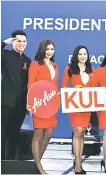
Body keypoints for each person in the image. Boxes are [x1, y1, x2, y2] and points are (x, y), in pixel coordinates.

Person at [61, 45, 95, 174]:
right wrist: (75, 89)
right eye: (80, 54)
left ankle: (78, 161)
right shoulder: (69, 69)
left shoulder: (91, 69)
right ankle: (77, 163)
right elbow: (63, 87)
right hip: (74, 104)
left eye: (85, 54)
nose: (83, 56)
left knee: (82, 133)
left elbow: (94, 87)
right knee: (77, 131)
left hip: (87, 106)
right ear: (76, 55)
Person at [27, 39, 59, 174]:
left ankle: (36, 163)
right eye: (47, 49)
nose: (50, 52)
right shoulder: (35, 64)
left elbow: (53, 85)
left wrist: (58, 96)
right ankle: (39, 167)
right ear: (42, 50)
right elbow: (30, 84)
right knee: (38, 133)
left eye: (52, 49)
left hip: (51, 104)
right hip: (39, 103)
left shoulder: (55, 65)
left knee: (49, 133)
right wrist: (30, 102)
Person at [1, 30, 31, 160]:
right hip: (6, 101)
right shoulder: (5, 55)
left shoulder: (27, 60)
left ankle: (10, 162)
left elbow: (29, 84)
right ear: (13, 41)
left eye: (24, 41)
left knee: (14, 133)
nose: (22, 44)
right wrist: (3, 43)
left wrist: (27, 103)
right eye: (18, 41)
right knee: (2, 133)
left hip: (20, 104)